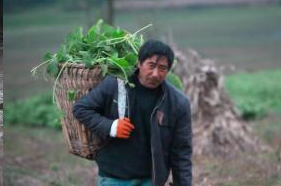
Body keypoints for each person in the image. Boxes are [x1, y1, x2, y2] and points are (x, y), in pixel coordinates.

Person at [73, 40, 192, 186]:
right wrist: (111, 127)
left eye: (162, 68)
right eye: (151, 65)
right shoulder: (115, 84)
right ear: (139, 63)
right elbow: (81, 109)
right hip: (113, 177)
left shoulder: (178, 103)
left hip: (151, 180)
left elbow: (181, 151)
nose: (156, 74)